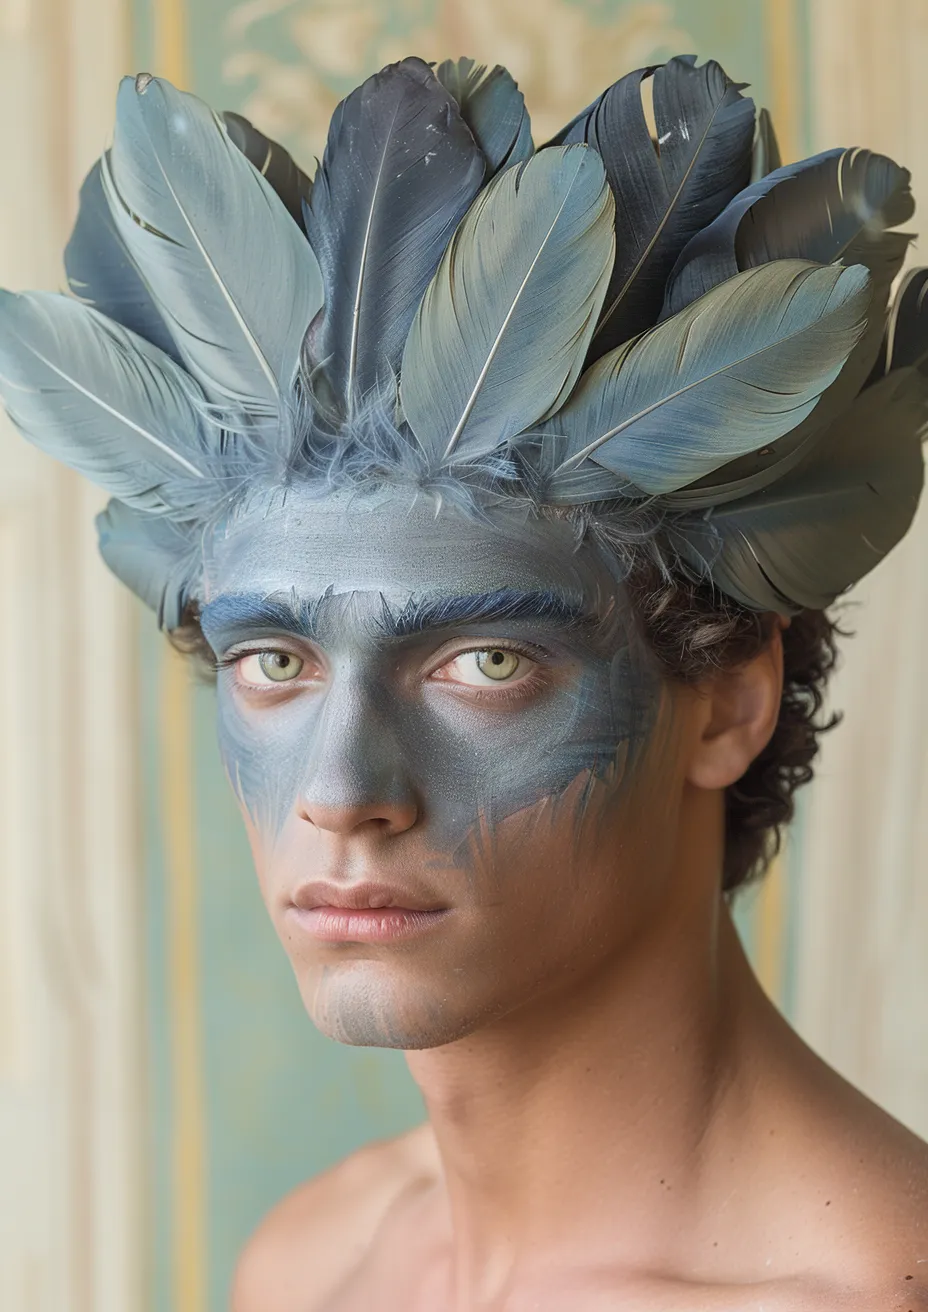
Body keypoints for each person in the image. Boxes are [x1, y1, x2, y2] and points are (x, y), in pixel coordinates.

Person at [1, 51, 927, 1312]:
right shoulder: (314, 1266)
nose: (342, 794)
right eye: (275, 660)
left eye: (485, 662)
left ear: (727, 699)